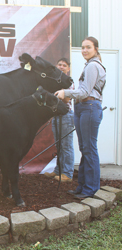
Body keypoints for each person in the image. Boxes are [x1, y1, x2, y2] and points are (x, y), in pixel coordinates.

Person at [55, 37, 105, 199]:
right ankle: (82, 186)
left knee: (89, 149)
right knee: (85, 149)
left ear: (95, 49)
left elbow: (84, 92)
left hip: (89, 108)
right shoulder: (88, 65)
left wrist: (66, 93)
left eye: (88, 47)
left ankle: (90, 188)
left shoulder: (93, 66)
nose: (84, 50)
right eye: (82, 47)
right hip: (83, 108)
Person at [44, 58, 75, 182]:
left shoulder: (68, 82)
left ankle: (67, 173)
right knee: (59, 146)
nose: (61, 67)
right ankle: (58, 171)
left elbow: (67, 99)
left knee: (66, 145)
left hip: (66, 115)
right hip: (56, 116)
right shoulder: (55, 83)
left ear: (68, 69)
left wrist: (54, 95)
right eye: (60, 64)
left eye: (64, 65)